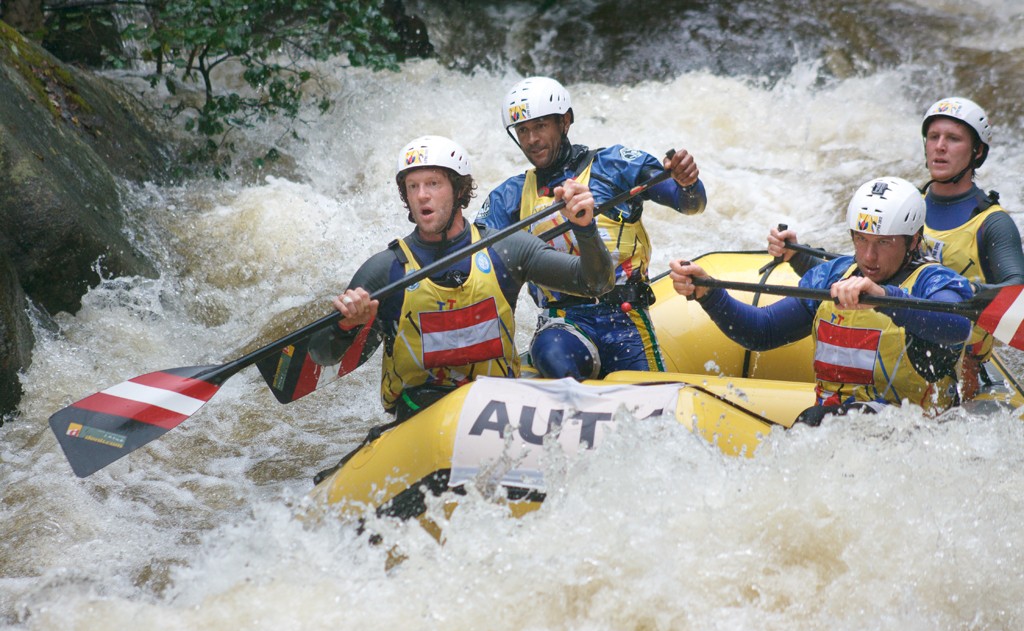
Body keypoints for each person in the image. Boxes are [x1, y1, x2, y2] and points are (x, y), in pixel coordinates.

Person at [308, 135, 614, 421]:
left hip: (495, 410)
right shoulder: (385, 271)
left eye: (433, 183)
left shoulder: (504, 250)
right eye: (412, 186)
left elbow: (595, 283)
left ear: (458, 189)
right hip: (418, 414)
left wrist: (584, 228)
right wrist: (346, 325)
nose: (422, 195)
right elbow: (322, 357)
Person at [768, 96, 1024, 398]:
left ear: (977, 151)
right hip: (895, 334)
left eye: (953, 139)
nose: (940, 146)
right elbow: (864, 270)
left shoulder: (992, 224)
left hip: (955, 357)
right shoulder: (902, 204)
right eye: (933, 137)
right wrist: (798, 256)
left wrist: (961, 295)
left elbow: (1015, 299)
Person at [673, 176, 974, 425]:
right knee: (822, 421)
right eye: (861, 239)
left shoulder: (933, 281)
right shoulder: (835, 275)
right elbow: (761, 332)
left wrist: (884, 297)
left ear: (913, 240)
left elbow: (957, 326)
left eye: (884, 243)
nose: (869, 256)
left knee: (818, 421)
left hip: (918, 434)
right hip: (836, 426)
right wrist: (708, 293)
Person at [475, 76, 707, 380]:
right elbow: (474, 260)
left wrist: (689, 183)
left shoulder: (615, 167)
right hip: (562, 323)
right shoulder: (510, 197)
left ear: (565, 121)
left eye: (541, 126)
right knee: (553, 354)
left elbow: (690, 204)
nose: (531, 140)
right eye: (523, 130)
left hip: (627, 318)